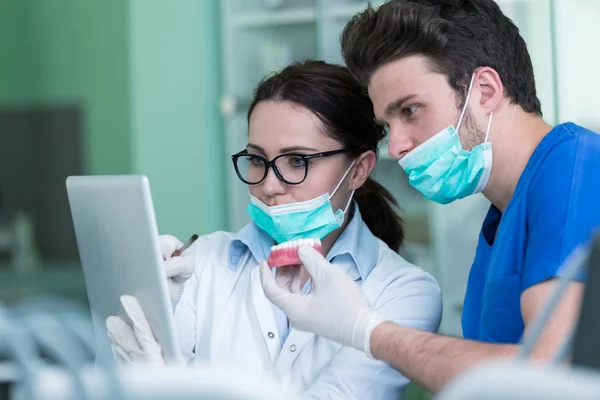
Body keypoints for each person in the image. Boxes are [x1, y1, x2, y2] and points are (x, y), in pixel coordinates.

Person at [260, 0, 600, 395]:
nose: (398, 146)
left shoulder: (576, 170)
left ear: (485, 91)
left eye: (411, 110)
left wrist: (370, 332)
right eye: (388, 125)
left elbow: (552, 376)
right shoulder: (502, 216)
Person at [105, 60, 443, 398]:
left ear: (359, 169)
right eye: (256, 160)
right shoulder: (201, 263)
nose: (269, 186)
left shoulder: (404, 292)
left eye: (297, 161)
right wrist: (147, 319)